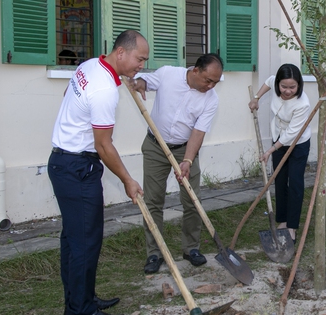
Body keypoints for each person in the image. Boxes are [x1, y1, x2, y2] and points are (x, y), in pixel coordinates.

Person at [48, 30, 148, 315]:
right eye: (139, 59)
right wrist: (128, 180)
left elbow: (68, 93)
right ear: (121, 53)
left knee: (73, 239)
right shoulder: (105, 89)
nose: (141, 65)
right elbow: (103, 146)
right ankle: (81, 309)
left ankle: (81, 300)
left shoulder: (89, 65)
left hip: (63, 162)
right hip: (77, 168)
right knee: (85, 243)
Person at [130, 53, 223, 274]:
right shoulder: (168, 74)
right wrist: (140, 83)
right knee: (152, 201)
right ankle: (154, 252)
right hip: (156, 147)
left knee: (192, 200)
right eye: (207, 80)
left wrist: (188, 160)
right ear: (195, 70)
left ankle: (191, 248)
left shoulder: (211, 99)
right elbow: (145, 81)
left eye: (215, 83)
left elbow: (198, 132)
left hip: (185, 147)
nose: (210, 86)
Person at [248, 64, 311, 243]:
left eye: (293, 87)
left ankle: (292, 226)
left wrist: (270, 150)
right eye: (284, 86)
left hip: (298, 143)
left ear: (299, 85)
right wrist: (256, 98)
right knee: (280, 179)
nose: (288, 91)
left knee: (295, 183)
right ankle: (282, 221)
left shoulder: (302, 104)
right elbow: (268, 82)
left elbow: (292, 133)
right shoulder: (275, 84)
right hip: (278, 138)